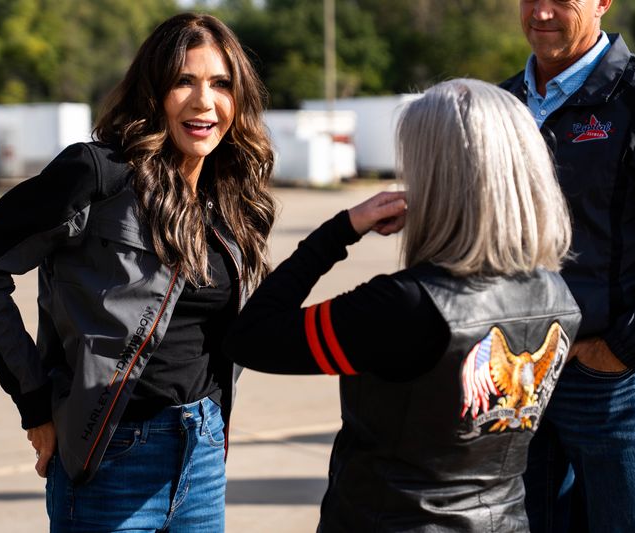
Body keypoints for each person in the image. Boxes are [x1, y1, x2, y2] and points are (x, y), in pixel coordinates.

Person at [0, 13, 275, 532]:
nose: (204, 102)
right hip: (111, 459)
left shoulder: (229, 193)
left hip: (203, 454)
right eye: (184, 81)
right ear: (153, 91)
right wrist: (34, 404)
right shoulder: (98, 173)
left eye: (221, 84)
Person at [223, 79, 582, 531]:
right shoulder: (558, 295)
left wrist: (340, 231)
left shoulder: (405, 306)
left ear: (437, 181)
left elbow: (251, 337)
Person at [501, 1, 635, 530]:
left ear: (603, 3)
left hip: (612, 381)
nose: (542, 12)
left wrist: (623, 347)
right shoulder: (501, 106)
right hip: (518, 377)